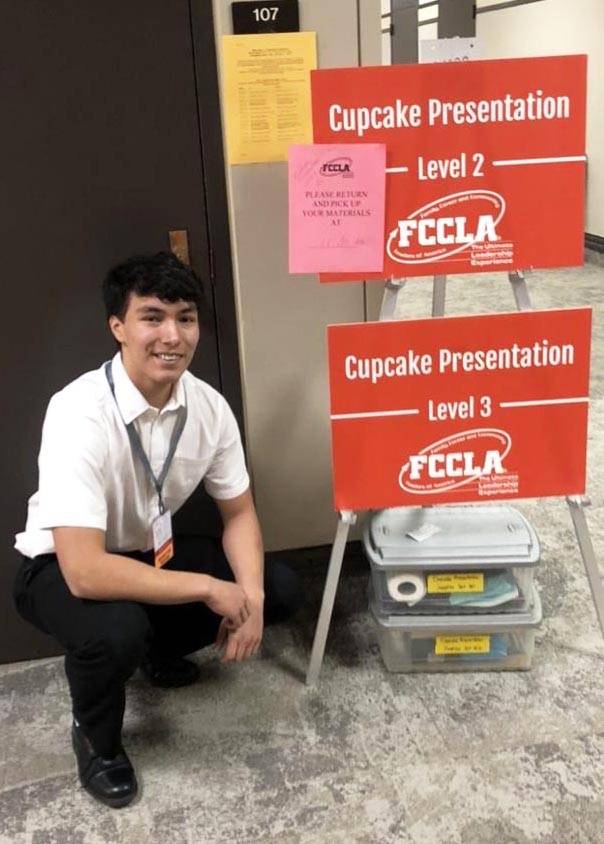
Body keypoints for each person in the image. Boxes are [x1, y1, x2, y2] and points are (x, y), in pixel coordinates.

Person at [13, 252, 300, 809]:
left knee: (280, 586)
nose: (172, 335)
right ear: (117, 327)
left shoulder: (208, 408)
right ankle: (96, 741)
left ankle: (157, 646)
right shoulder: (79, 412)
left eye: (186, 317)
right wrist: (210, 589)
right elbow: (86, 571)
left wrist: (254, 597)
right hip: (61, 568)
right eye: (152, 317)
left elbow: (238, 513)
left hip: (148, 554)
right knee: (116, 628)